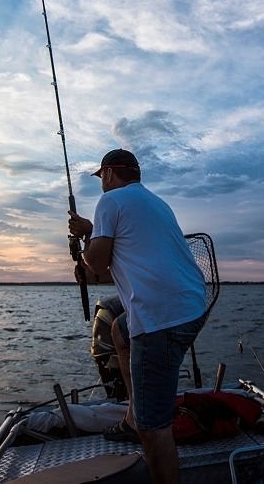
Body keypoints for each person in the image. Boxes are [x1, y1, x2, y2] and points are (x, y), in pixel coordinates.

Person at [68, 148, 207, 484]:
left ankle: (143, 423)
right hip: (193, 307)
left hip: (160, 319)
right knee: (119, 328)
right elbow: (120, 258)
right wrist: (90, 231)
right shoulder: (155, 203)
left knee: (154, 430)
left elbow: (98, 265)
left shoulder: (110, 201)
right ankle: (133, 415)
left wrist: (85, 244)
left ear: (111, 173)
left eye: (101, 176)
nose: (101, 182)